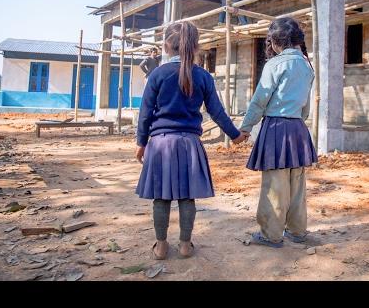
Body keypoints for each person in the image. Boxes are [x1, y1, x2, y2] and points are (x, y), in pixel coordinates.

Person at [135, 20, 248, 260]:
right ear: (195, 46)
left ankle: (161, 245)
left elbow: (145, 113)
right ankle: (185, 245)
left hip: (160, 143)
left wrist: (141, 142)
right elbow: (216, 111)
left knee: (161, 196)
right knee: (187, 196)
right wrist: (235, 135)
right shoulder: (203, 76)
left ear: (166, 46)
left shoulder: (157, 74)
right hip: (190, 144)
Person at [238, 17, 316, 248]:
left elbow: (259, 101)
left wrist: (246, 127)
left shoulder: (275, 65)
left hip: (276, 130)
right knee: (297, 185)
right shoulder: (306, 65)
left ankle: (272, 235)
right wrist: (297, 122)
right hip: (298, 129)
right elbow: (306, 107)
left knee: (275, 186)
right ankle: (298, 231)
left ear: (274, 42)